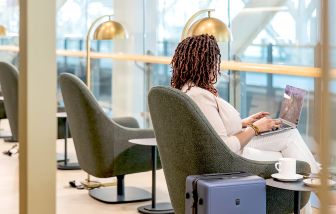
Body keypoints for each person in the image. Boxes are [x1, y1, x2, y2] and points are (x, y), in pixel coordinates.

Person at [170, 34, 319, 173]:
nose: (217, 68)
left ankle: (310, 191)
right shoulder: (200, 96)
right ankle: (321, 190)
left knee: (289, 140)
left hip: (232, 148)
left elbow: (210, 128)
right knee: (290, 143)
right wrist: (255, 128)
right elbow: (224, 148)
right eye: (215, 62)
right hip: (232, 157)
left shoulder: (189, 89)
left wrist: (244, 123)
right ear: (204, 64)